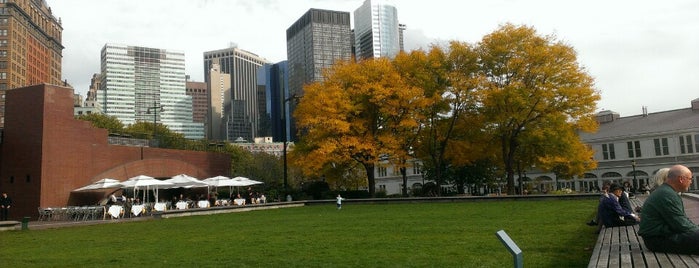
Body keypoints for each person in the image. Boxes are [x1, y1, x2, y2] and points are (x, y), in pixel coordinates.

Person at [638, 164, 699, 254]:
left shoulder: (665, 191)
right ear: (681, 179)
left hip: (657, 237)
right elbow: (682, 225)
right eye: (690, 179)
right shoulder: (667, 194)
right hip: (658, 240)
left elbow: (681, 221)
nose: (691, 182)